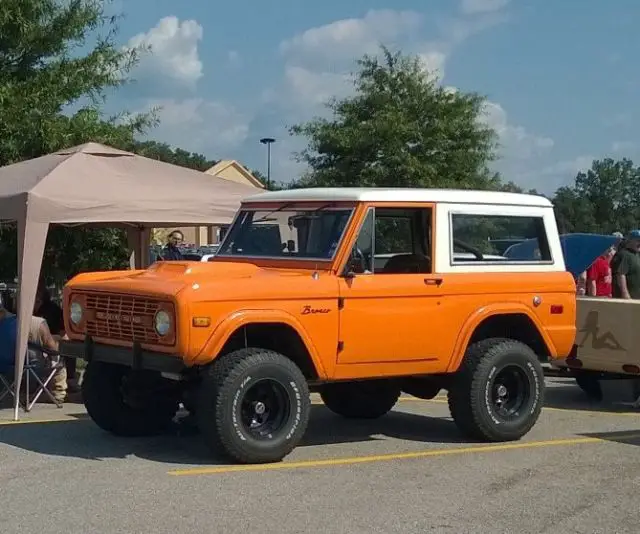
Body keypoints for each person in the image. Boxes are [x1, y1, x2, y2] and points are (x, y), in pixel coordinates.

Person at [611, 230, 640, 299]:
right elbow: (620, 275)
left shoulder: (637, 255)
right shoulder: (624, 254)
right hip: (628, 299)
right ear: (630, 240)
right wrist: (625, 295)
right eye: (638, 240)